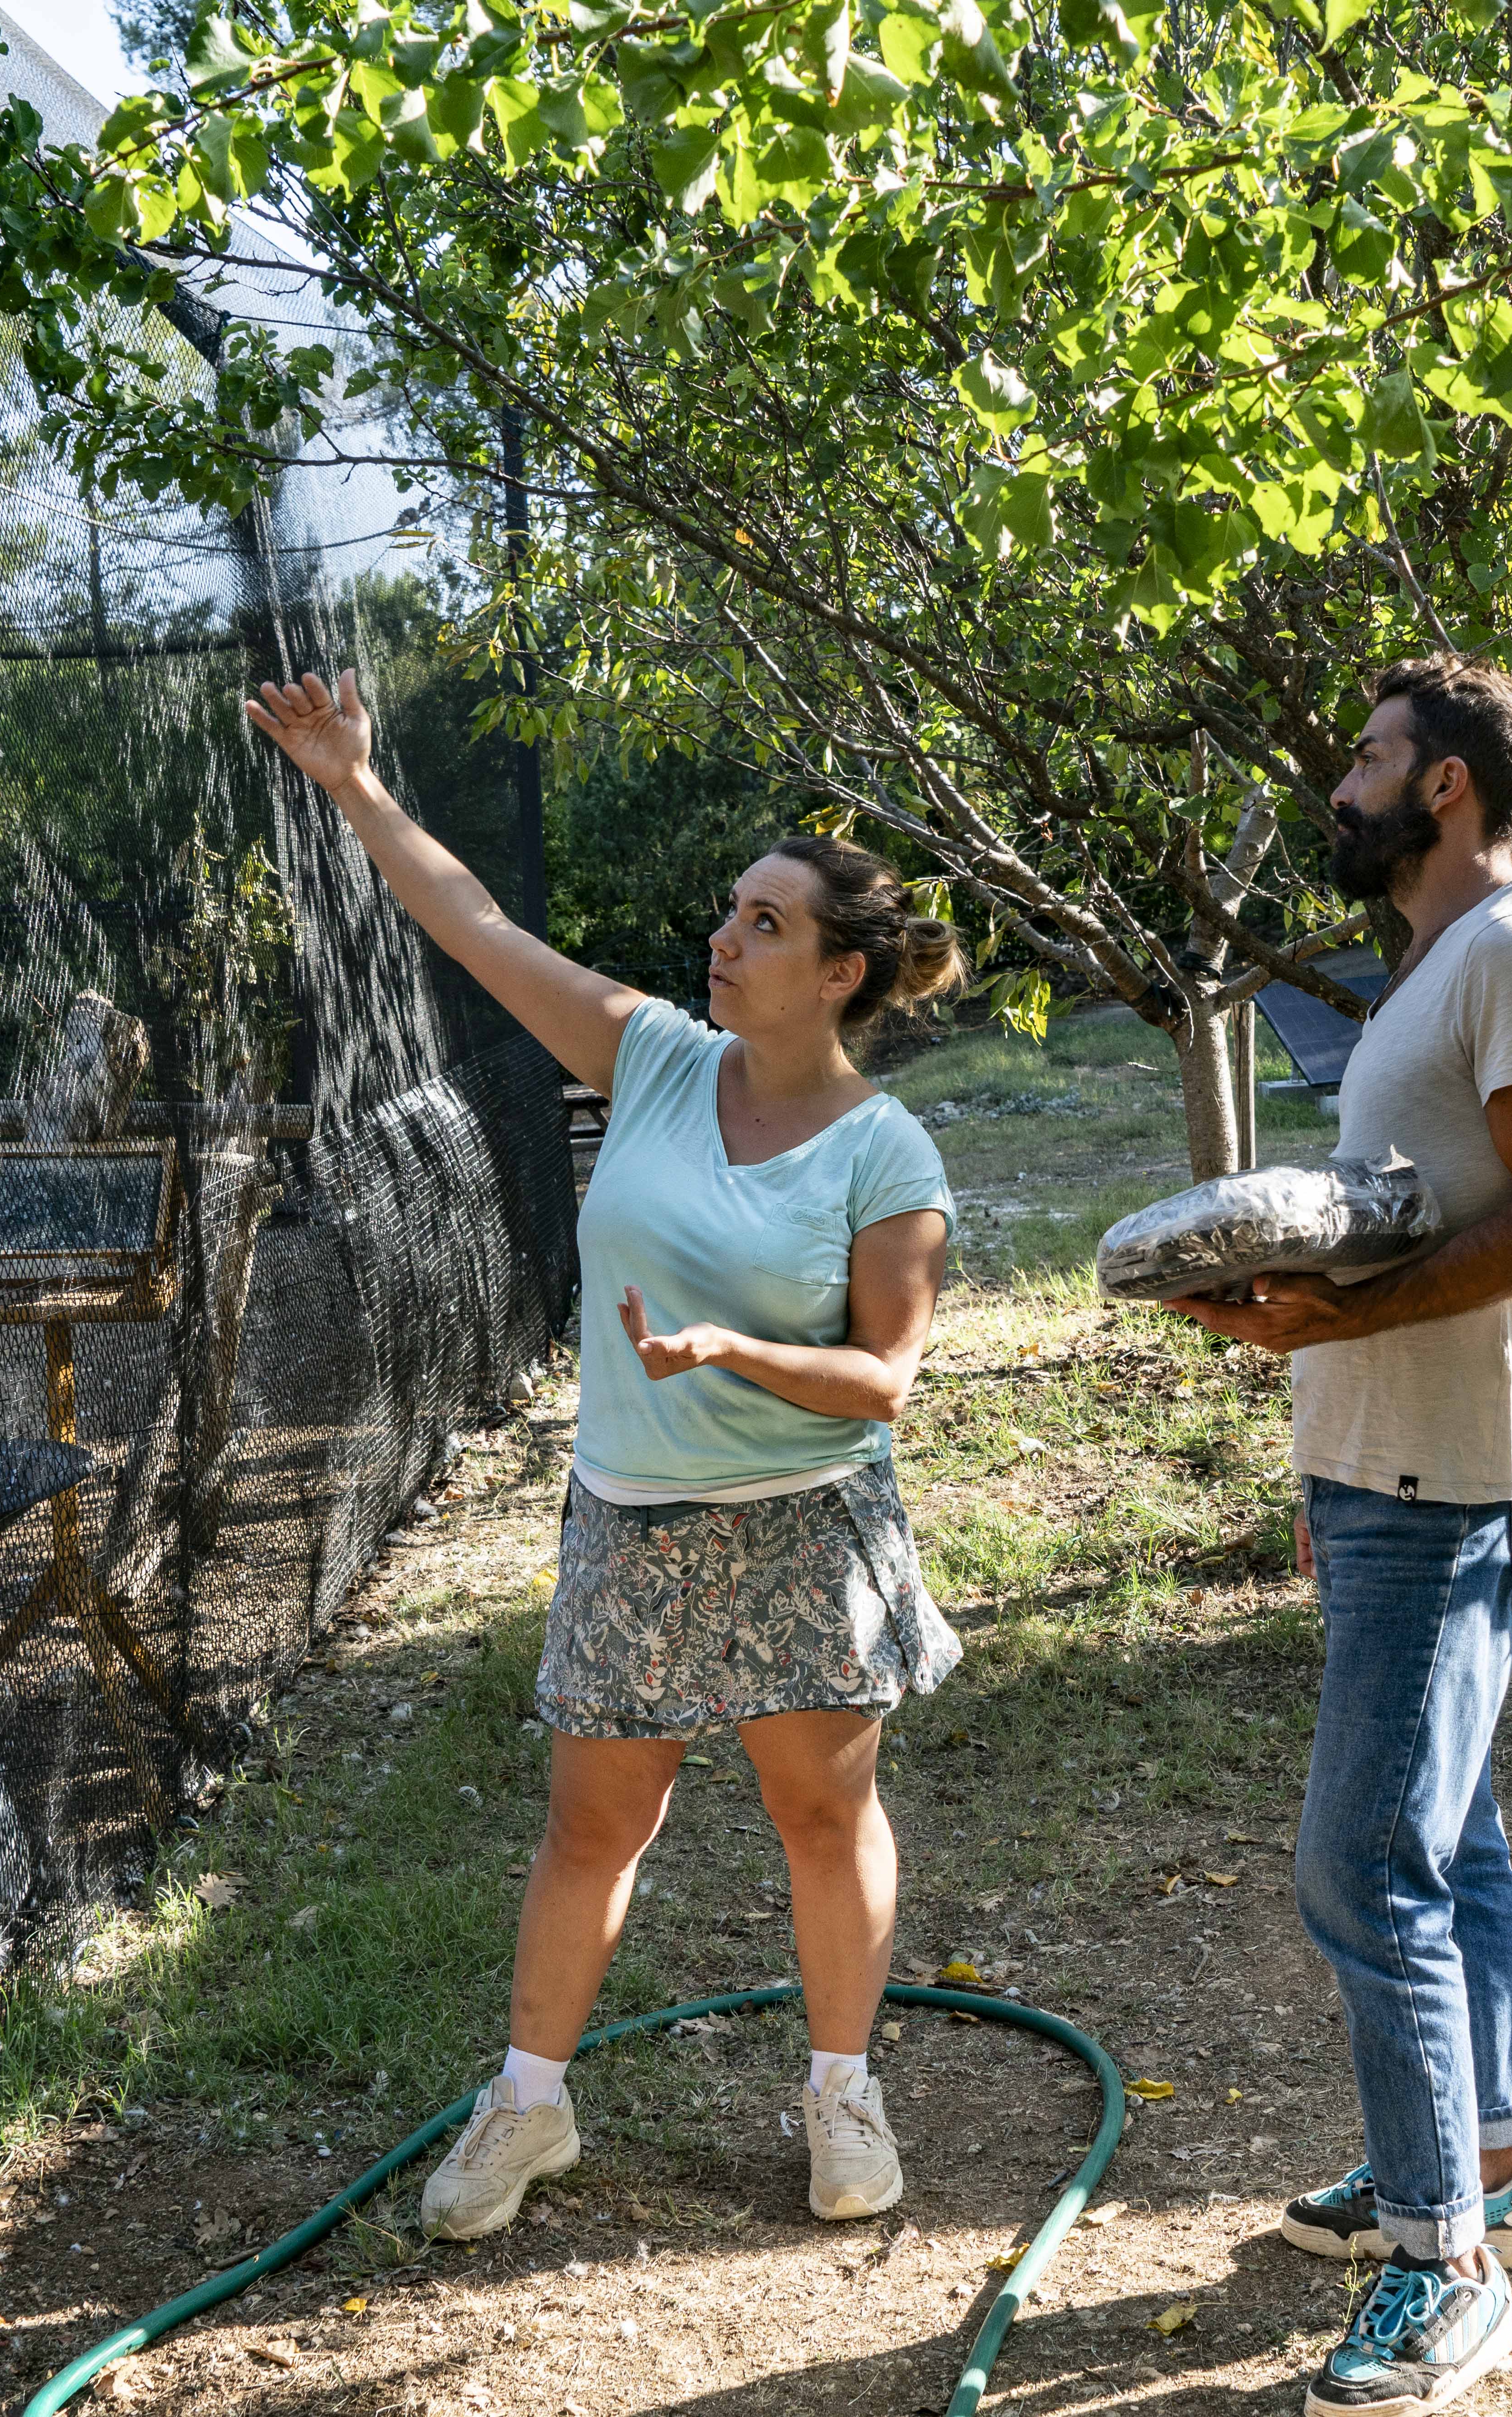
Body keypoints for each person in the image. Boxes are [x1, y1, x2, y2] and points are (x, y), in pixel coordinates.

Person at [246, 671, 967, 2237]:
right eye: (730, 913)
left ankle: (844, 2092)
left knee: (821, 1818)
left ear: (843, 974)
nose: (724, 937)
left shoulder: (882, 1152)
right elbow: (477, 927)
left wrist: (731, 1353)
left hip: (801, 1522)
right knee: (592, 1827)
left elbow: (883, 1378)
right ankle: (529, 2108)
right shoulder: (644, 1054)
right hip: (631, 1520)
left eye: (766, 924)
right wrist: (356, 787)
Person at [1168, 657, 1512, 2417]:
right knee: (1456, 1840)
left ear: (1445, 786)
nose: (1340, 782)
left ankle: (1445, 2265)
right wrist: (1325, 1445)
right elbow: (1407, 1222)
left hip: (1453, 1487)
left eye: (1367, 756)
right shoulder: (1431, 966)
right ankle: (1480, 2154)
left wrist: (1343, 1344)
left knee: (1366, 1867)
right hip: (1384, 1479)